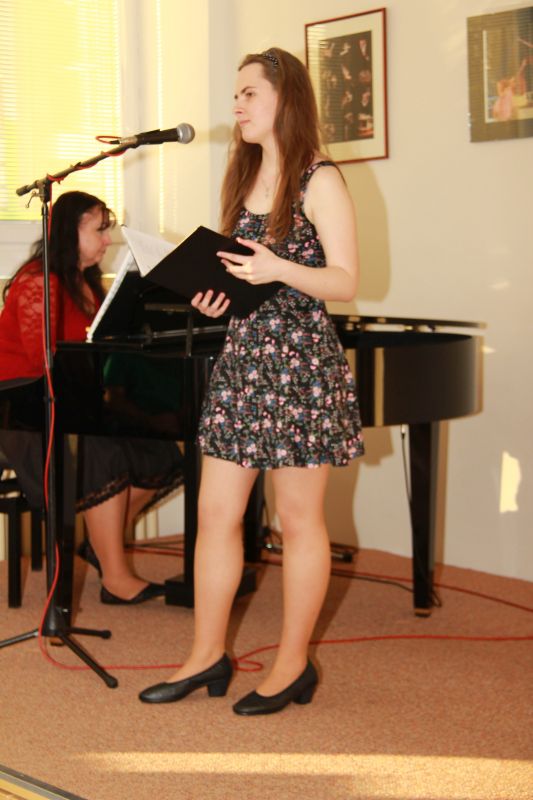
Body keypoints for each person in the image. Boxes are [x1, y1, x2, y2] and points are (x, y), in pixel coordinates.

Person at [139, 47, 364, 715]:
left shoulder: (319, 178)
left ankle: (292, 665)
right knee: (214, 513)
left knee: (297, 520)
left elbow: (346, 281)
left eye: (248, 93)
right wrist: (217, 296)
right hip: (242, 361)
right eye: (234, 95)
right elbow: (242, 276)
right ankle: (206, 654)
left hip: (300, 366)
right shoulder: (242, 176)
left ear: (284, 99)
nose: (235, 105)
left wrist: (277, 269)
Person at [0, 190, 183, 604]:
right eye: (99, 230)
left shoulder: (88, 286)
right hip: (20, 411)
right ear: (68, 232)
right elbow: (43, 364)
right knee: (103, 452)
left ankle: (101, 547)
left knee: (161, 453)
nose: (107, 240)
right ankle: (116, 579)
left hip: (71, 405)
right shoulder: (38, 282)